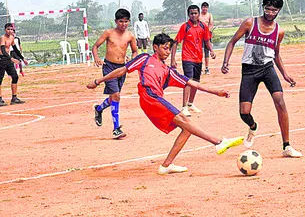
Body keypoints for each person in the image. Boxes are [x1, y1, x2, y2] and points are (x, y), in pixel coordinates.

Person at [87, 33, 244, 175]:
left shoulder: (169, 71)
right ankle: (218, 142)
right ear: (155, 47)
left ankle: (166, 165)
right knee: (185, 120)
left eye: (169, 49)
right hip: (149, 97)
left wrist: (216, 91)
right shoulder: (145, 59)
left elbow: (192, 83)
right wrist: (98, 81)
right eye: (165, 48)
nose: (168, 52)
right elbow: (122, 70)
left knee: (187, 128)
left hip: (154, 100)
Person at [222, 0, 303, 158]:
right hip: (249, 70)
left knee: (280, 102)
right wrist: (226, 62)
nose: (270, 13)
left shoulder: (279, 31)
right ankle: (252, 127)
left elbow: (276, 55)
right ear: (263, 7)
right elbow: (232, 42)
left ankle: (287, 146)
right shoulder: (250, 23)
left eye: (274, 10)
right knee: (244, 112)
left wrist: (285, 75)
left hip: (267, 69)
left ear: (279, 10)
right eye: (268, 9)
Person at [91, 8, 138, 139]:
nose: (123, 24)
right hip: (109, 67)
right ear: (116, 21)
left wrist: (132, 59)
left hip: (122, 68)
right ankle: (116, 128)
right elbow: (95, 46)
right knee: (116, 96)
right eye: (121, 21)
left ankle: (99, 109)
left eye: (126, 21)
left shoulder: (130, 36)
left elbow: (135, 51)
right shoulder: (109, 33)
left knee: (114, 97)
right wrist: (96, 58)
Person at [171, 4, 215, 116]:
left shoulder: (203, 26)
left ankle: (191, 104)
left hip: (198, 58)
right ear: (188, 15)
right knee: (188, 81)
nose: (194, 15)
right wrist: (173, 59)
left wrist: (211, 51)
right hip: (187, 58)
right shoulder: (185, 27)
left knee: (195, 82)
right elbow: (175, 43)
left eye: (196, 13)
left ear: (199, 14)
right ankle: (184, 107)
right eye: (191, 13)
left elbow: (207, 40)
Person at [0, 23, 25, 107]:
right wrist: (11, 59)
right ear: (5, 30)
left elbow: (15, 49)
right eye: (8, 29)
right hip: (1, 59)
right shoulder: (2, 38)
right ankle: (0, 99)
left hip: (8, 59)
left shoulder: (12, 38)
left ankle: (14, 98)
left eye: (11, 29)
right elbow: (3, 50)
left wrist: (22, 58)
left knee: (15, 76)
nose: (10, 31)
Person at [199, 2, 214, 75]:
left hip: (207, 35)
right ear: (201, 8)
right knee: (199, 52)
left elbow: (211, 24)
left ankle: (207, 68)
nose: (205, 9)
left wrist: (208, 32)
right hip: (199, 36)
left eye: (206, 7)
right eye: (203, 7)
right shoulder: (198, 15)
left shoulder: (209, 15)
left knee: (207, 52)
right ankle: (200, 68)